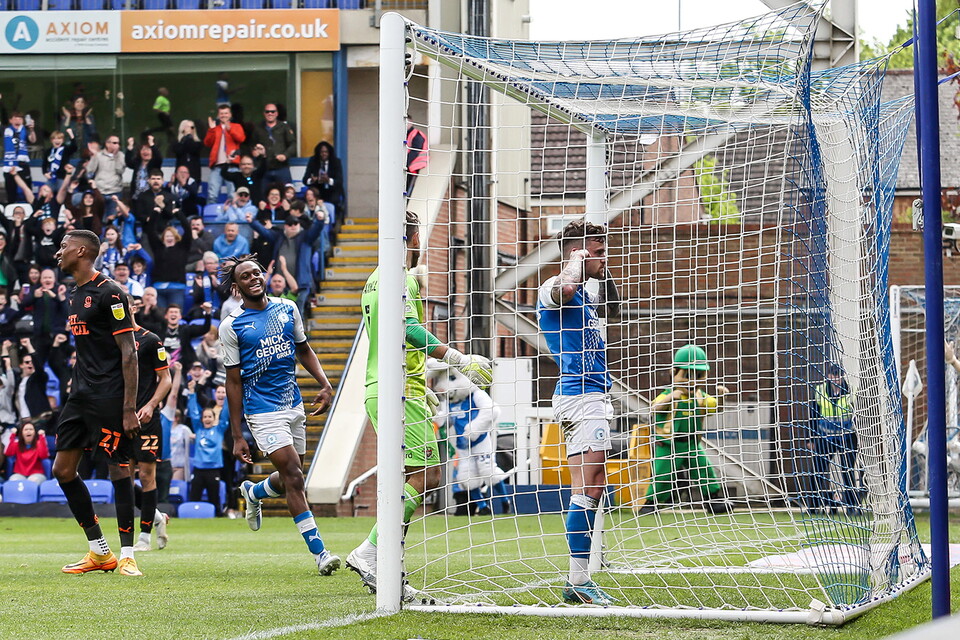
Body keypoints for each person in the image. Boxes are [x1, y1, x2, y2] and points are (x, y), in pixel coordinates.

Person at [347, 211, 493, 596]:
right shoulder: (401, 277)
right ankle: (370, 551)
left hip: (387, 386)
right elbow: (407, 329)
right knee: (427, 475)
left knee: (407, 477)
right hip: (398, 391)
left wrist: (421, 374)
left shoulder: (374, 278)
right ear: (413, 237)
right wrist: (457, 359)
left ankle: (389, 568)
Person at [220, 254, 340, 575]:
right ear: (236, 288)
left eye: (257, 273)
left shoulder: (287, 309)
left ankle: (254, 491)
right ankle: (320, 553)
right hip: (261, 410)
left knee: (293, 475)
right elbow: (233, 381)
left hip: (293, 404)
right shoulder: (232, 326)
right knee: (295, 478)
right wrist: (237, 434)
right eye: (245, 277)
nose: (254, 278)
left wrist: (326, 384)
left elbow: (303, 349)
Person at [535, 218, 620, 606]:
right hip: (580, 396)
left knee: (591, 486)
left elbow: (615, 309)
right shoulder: (553, 288)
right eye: (598, 252)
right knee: (590, 486)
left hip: (590, 396)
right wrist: (577, 262)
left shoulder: (586, 297)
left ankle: (577, 579)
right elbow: (564, 287)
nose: (605, 257)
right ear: (577, 253)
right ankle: (578, 581)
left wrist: (601, 270)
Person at [52, 229, 140, 576]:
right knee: (62, 470)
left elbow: (129, 352)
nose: (59, 253)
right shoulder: (75, 294)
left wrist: (130, 407)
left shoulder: (111, 294)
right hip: (81, 395)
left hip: (109, 396)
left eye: (64, 247)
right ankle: (99, 551)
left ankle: (129, 554)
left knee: (118, 468)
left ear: (83, 250)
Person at [96, 293, 170, 553]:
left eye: (123, 306)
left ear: (134, 308)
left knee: (147, 475)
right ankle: (157, 515)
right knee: (122, 477)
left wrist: (150, 405)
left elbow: (166, 379)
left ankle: (144, 538)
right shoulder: (110, 341)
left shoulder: (150, 340)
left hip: (146, 419)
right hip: (118, 418)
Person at [642, 345, 732, 515]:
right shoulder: (669, 394)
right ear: (674, 372)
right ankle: (650, 503)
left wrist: (721, 397)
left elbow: (716, 408)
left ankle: (714, 500)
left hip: (691, 443)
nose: (692, 381)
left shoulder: (699, 397)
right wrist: (670, 397)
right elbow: (654, 408)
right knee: (662, 474)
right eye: (687, 375)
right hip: (669, 445)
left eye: (698, 376)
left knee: (704, 469)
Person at [431, 364, 511, 516]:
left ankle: (505, 501)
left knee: (488, 472)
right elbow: (445, 419)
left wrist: (474, 428)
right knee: (465, 476)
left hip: (481, 441)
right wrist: (434, 418)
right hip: (462, 444)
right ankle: (482, 506)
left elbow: (493, 410)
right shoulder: (450, 401)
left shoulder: (476, 395)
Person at [805, 364, 858, 515]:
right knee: (818, 471)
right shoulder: (820, 391)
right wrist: (810, 439)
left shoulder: (851, 392)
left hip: (846, 436)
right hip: (825, 436)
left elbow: (858, 415)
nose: (836, 378)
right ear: (828, 376)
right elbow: (813, 416)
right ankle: (813, 506)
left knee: (848, 471)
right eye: (833, 375)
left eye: (839, 375)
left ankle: (851, 506)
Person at [247, 213, 323, 319]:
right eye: (290, 224)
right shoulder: (279, 237)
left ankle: (299, 334)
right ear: (285, 226)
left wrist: (320, 220)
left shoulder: (306, 237)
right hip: (282, 283)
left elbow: (316, 230)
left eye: (295, 223)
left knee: (298, 310)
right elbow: (265, 232)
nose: (293, 226)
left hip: (301, 283)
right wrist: (252, 222)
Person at [204, 104, 245, 204]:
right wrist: (211, 130)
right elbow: (207, 143)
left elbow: (241, 138)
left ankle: (233, 217)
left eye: (226, 113)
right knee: (212, 194)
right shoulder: (215, 128)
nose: (224, 115)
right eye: (221, 113)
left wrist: (229, 129)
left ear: (230, 114)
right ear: (218, 115)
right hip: (217, 166)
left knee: (232, 194)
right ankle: (211, 218)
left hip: (232, 165)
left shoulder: (236, 126)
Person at [253, 104, 296, 190]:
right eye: (267, 112)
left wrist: (285, 155)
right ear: (264, 113)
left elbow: (293, 144)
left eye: (272, 111)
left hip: (281, 167)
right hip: (264, 168)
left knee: (286, 193)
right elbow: (252, 144)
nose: (270, 114)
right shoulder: (258, 128)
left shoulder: (284, 127)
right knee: (262, 195)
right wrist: (255, 152)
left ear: (277, 113)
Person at [83, 135, 125, 221]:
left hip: (115, 191)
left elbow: (120, 170)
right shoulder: (98, 155)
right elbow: (89, 170)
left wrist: (115, 156)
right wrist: (90, 181)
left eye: (118, 143)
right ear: (107, 144)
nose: (117, 145)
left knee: (112, 219)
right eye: (114, 143)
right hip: (100, 191)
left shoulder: (121, 155)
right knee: (99, 219)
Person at [4, 111, 37, 201]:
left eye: (20, 118)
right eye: (15, 118)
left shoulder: (25, 130)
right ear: (10, 120)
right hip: (9, 164)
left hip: (22, 162)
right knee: (10, 190)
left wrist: (31, 129)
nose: (18, 120)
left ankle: (31, 208)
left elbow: (33, 140)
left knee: (27, 187)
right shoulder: (5, 130)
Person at [303, 141, 343, 208]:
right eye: (321, 152)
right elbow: (304, 180)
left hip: (332, 190)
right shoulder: (313, 161)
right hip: (318, 190)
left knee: (334, 199)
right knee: (311, 198)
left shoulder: (336, 161)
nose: (324, 154)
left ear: (329, 153)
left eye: (326, 152)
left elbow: (339, 181)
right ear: (318, 153)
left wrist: (328, 180)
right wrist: (312, 180)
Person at [42, 129, 76, 194]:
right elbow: (44, 164)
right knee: (45, 194)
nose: (57, 141)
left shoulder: (65, 149)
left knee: (62, 195)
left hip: (62, 178)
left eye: (59, 139)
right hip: (51, 179)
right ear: (51, 140)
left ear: (62, 140)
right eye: (55, 139)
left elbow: (74, 147)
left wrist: (71, 135)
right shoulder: (48, 151)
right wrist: (45, 173)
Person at [405, 122, 428, 194]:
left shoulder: (417, 135)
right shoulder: (408, 134)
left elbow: (415, 151)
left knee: (410, 191)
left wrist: (405, 163)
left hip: (416, 166)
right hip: (412, 166)